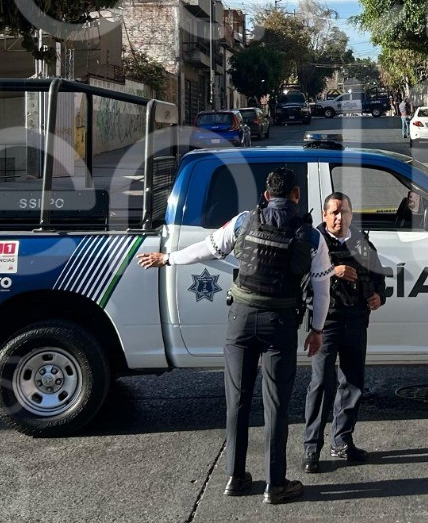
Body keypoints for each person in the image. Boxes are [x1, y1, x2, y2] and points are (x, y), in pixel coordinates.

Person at [136, 168, 331, 506]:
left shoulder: (244, 221)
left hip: (240, 321)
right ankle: (275, 484)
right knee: (276, 405)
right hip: (280, 325)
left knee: (237, 399)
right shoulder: (311, 236)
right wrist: (316, 330)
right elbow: (322, 289)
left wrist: (166, 258)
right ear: (297, 196)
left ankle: (234, 477)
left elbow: (206, 249)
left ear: (267, 195)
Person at [303, 192, 388, 473]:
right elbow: (300, 284)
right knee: (321, 385)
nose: (340, 217)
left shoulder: (362, 243)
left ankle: (342, 442)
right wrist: (331, 271)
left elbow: (378, 279)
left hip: (356, 322)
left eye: (345, 212)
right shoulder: (313, 243)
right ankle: (311, 448)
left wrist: (378, 296)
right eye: (335, 212)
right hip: (326, 325)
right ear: (325, 216)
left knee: (353, 383)